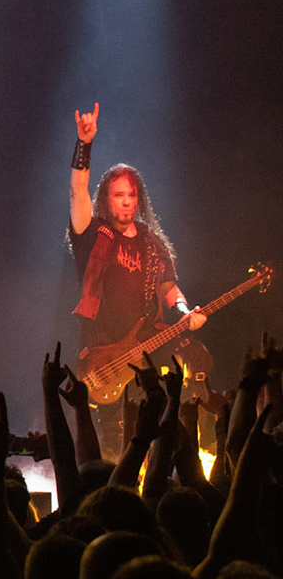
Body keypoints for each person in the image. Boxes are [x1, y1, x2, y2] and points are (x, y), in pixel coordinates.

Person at [66, 103, 206, 423]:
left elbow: (171, 290)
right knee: (112, 435)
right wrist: (84, 144)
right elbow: (77, 193)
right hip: (102, 358)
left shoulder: (152, 244)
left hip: (144, 352)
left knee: (153, 422)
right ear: (106, 198)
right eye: (118, 195)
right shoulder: (92, 234)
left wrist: (186, 312)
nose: (126, 201)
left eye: (131, 195)